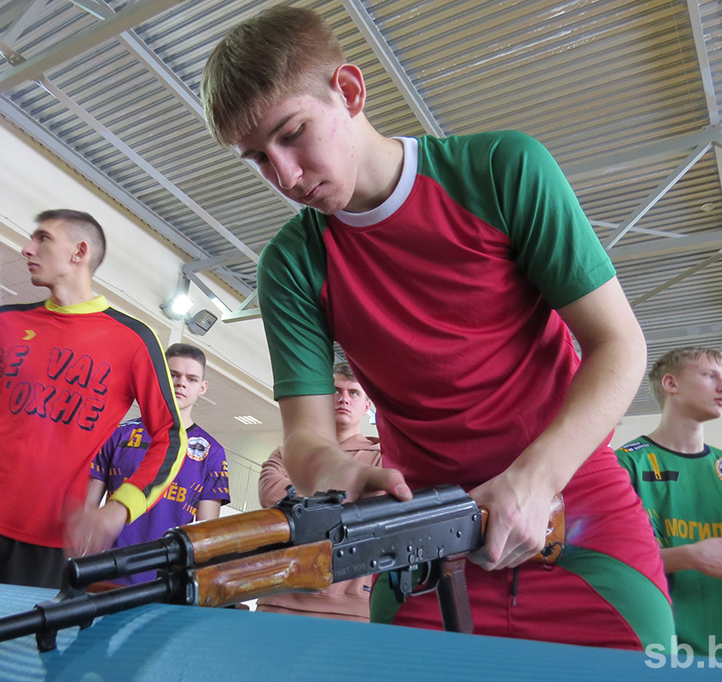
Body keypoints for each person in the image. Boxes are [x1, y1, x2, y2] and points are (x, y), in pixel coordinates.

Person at [201, 6, 672, 649]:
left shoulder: (502, 170)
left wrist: (535, 478)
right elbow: (306, 442)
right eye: (257, 158)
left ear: (349, 91)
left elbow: (620, 346)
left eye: (292, 134)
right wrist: (340, 475)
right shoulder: (291, 263)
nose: (283, 176)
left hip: (576, 507)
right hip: (423, 533)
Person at [0, 209, 186, 587]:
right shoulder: (5, 322)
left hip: (46, 538)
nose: (28, 248)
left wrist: (119, 508)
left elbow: (171, 437)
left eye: (43, 238)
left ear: (79, 252)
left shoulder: (133, 340)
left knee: (11, 647)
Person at [616, 348, 722, 656]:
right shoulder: (625, 465)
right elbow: (611, 564)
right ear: (671, 384)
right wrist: (688, 557)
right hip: (656, 650)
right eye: (711, 376)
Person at [87, 343, 230, 584]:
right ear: (158, 376)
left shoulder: (212, 453)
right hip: (105, 573)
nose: (180, 383)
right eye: (173, 374)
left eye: (191, 379)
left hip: (165, 583)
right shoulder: (117, 435)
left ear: (202, 388)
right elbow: (87, 510)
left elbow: (206, 534)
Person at [256, 362, 380, 622]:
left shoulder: (381, 460)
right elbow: (270, 494)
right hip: (278, 596)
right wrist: (341, 497)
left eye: (353, 392)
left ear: (367, 406)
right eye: (336, 391)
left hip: (347, 606)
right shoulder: (286, 453)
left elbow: (369, 517)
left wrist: (300, 498)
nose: (343, 399)